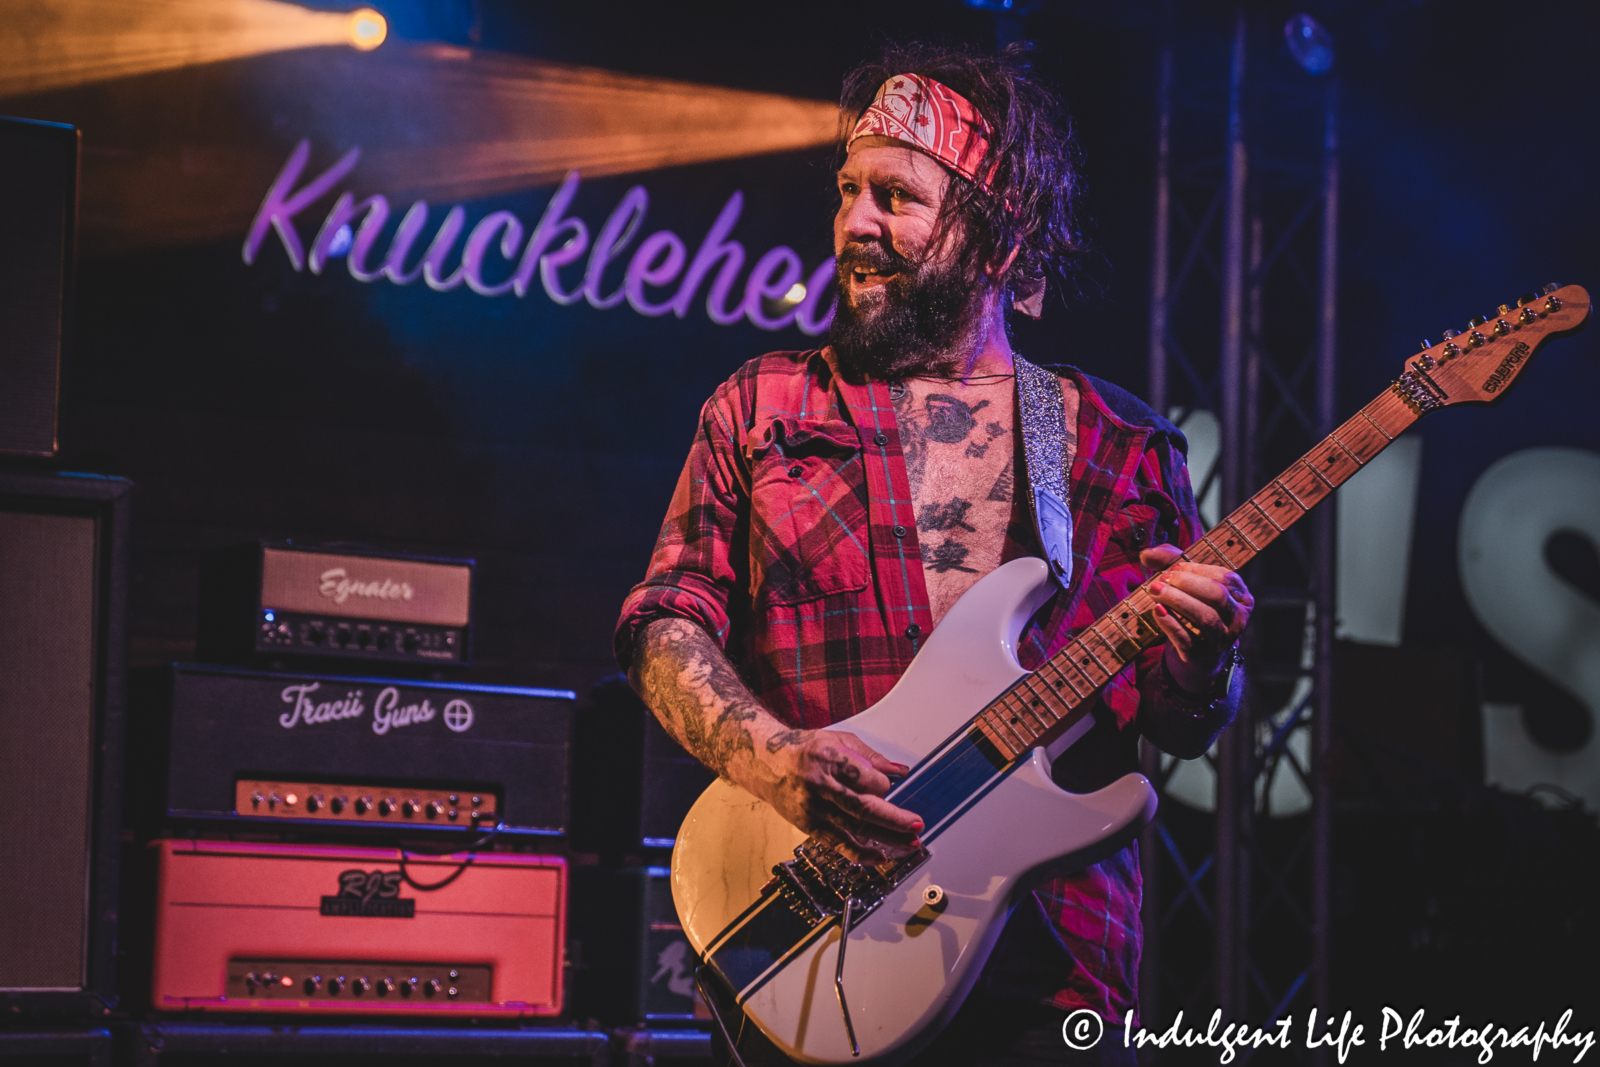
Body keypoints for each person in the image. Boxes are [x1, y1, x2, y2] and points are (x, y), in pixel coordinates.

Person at [614, 41, 1253, 1067]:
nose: (855, 223)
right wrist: (772, 761)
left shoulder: (1117, 445)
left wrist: (1202, 657)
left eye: (897, 198)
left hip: (1051, 967)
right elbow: (661, 623)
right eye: (848, 191)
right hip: (812, 938)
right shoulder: (761, 408)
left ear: (997, 240)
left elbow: (1179, 725)